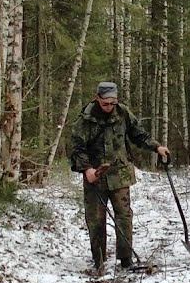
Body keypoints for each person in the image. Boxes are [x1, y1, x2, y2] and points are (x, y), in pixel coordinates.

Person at [69, 82, 169, 269]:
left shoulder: (122, 113)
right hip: (95, 176)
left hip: (120, 174)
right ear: (97, 98)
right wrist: (87, 170)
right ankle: (98, 260)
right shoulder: (85, 119)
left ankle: (126, 259)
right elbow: (77, 149)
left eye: (113, 103)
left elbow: (138, 134)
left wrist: (157, 147)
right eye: (106, 103)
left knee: (124, 216)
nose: (109, 107)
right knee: (95, 219)